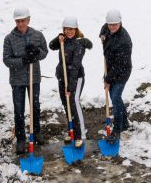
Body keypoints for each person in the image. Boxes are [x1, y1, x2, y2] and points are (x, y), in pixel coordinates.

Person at [3, 7, 49, 153]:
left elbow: (45, 52)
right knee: (19, 110)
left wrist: (36, 53)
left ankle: (36, 132)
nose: (20, 24)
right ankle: (21, 139)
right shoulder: (9, 38)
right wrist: (23, 60)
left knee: (35, 106)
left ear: (28, 20)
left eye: (23, 21)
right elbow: (6, 60)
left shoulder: (37, 35)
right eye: (18, 21)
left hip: (33, 78)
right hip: (17, 80)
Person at [49, 17, 93, 148]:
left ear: (76, 29)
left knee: (73, 103)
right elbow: (51, 46)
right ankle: (71, 131)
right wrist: (59, 39)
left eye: (71, 29)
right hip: (63, 77)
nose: (69, 32)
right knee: (66, 104)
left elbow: (75, 66)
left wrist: (70, 86)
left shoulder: (79, 44)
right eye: (66, 29)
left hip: (76, 78)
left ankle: (79, 135)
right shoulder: (64, 41)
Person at [99, 9, 133, 141]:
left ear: (120, 23)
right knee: (116, 97)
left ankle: (118, 128)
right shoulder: (108, 28)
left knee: (115, 96)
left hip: (121, 71)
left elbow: (119, 66)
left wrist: (108, 79)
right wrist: (102, 34)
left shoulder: (124, 41)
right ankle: (124, 123)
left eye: (115, 25)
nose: (112, 27)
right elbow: (104, 27)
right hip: (110, 68)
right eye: (110, 24)